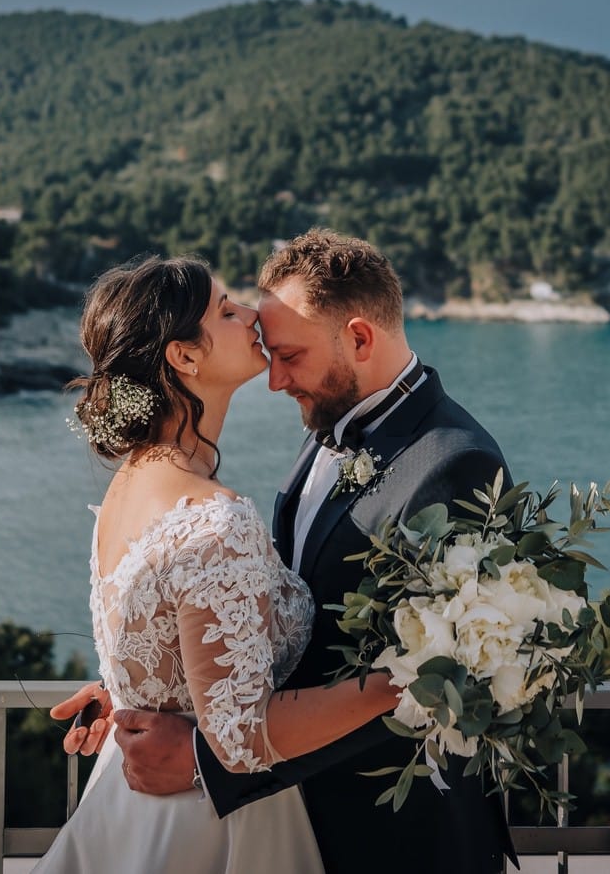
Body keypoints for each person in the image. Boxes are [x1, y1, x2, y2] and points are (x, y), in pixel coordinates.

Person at [53, 229, 517, 874]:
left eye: (289, 355)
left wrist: (199, 754)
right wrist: (156, 684)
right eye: (235, 318)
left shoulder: (453, 464)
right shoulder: (314, 426)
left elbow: (444, 677)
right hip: (246, 816)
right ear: (183, 357)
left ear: (358, 338)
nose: (275, 380)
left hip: (386, 829)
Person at [35, 254, 399, 874]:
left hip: (131, 805)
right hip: (207, 828)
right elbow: (238, 736)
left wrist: (125, 692)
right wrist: (398, 684)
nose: (251, 315)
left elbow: (161, 644)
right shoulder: (213, 519)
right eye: (227, 311)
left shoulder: (128, 487)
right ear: (184, 356)